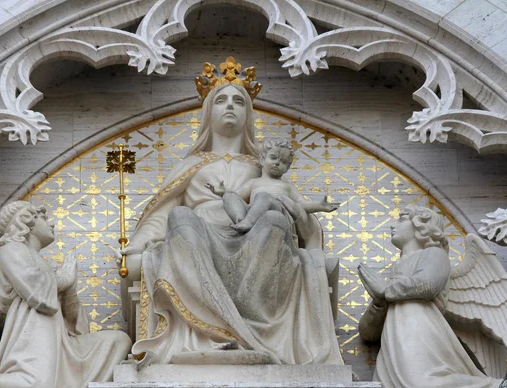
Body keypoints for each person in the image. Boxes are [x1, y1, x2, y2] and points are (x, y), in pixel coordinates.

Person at [118, 83, 343, 365]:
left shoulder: (263, 167)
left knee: (273, 218)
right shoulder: (190, 165)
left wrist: (297, 215)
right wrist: (135, 245)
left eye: (239, 101)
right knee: (180, 218)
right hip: (201, 240)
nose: (230, 105)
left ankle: (251, 328)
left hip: (253, 241)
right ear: (207, 113)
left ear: (248, 115)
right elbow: (163, 214)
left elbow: (297, 213)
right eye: (221, 100)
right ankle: (216, 327)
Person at [0, 201, 131, 388]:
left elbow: (72, 320)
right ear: (25, 222)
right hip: (33, 327)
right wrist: (63, 280)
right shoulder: (10, 251)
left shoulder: (40, 261)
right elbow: (37, 294)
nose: (52, 223)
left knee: (118, 341)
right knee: (37, 382)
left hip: (62, 338)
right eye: (44, 217)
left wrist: (70, 287)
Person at [358, 206, 502, 388]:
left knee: (424, 382)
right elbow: (368, 333)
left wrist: (386, 290)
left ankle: (491, 385)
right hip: (394, 343)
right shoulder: (396, 270)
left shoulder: (434, 254)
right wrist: (378, 303)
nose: (393, 226)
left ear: (421, 225)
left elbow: (427, 285)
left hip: (420, 328)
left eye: (401, 219)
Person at [205, 138, 339, 232]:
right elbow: (237, 197)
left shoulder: (286, 186)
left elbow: (301, 203)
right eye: (273, 158)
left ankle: (248, 223)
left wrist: (320, 206)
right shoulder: (254, 183)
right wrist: (224, 192)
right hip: (252, 213)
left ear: (287, 168)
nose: (277, 163)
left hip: (277, 214)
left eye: (283, 161)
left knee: (264, 197)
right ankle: (241, 222)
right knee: (229, 197)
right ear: (262, 160)